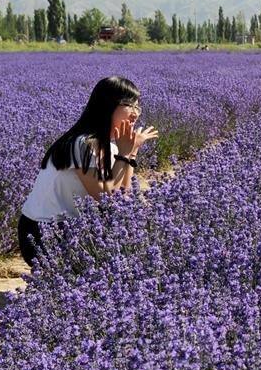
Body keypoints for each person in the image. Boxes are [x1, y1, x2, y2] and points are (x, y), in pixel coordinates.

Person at [18, 76, 159, 267]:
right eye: (128, 105)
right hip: (43, 234)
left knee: (133, 220)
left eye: (137, 106)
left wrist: (131, 153)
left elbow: (124, 197)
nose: (135, 114)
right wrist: (125, 154)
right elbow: (108, 199)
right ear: (106, 105)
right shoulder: (81, 144)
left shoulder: (112, 148)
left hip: (71, 228)